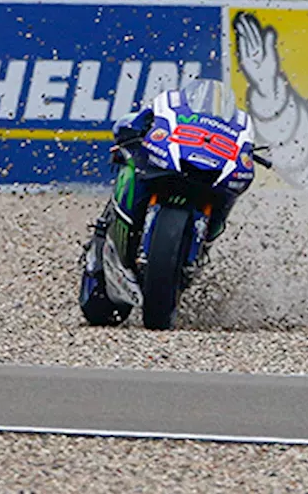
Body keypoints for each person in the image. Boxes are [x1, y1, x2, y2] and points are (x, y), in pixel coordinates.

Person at [79, 78, 251, 325]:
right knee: (98, 313)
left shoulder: (241, 124)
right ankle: (103, 240)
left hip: (206, 177)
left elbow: (247, 150)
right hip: (161, 168)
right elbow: (130, 124)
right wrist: (133, 132)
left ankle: (191, 258)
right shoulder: (168, 105)